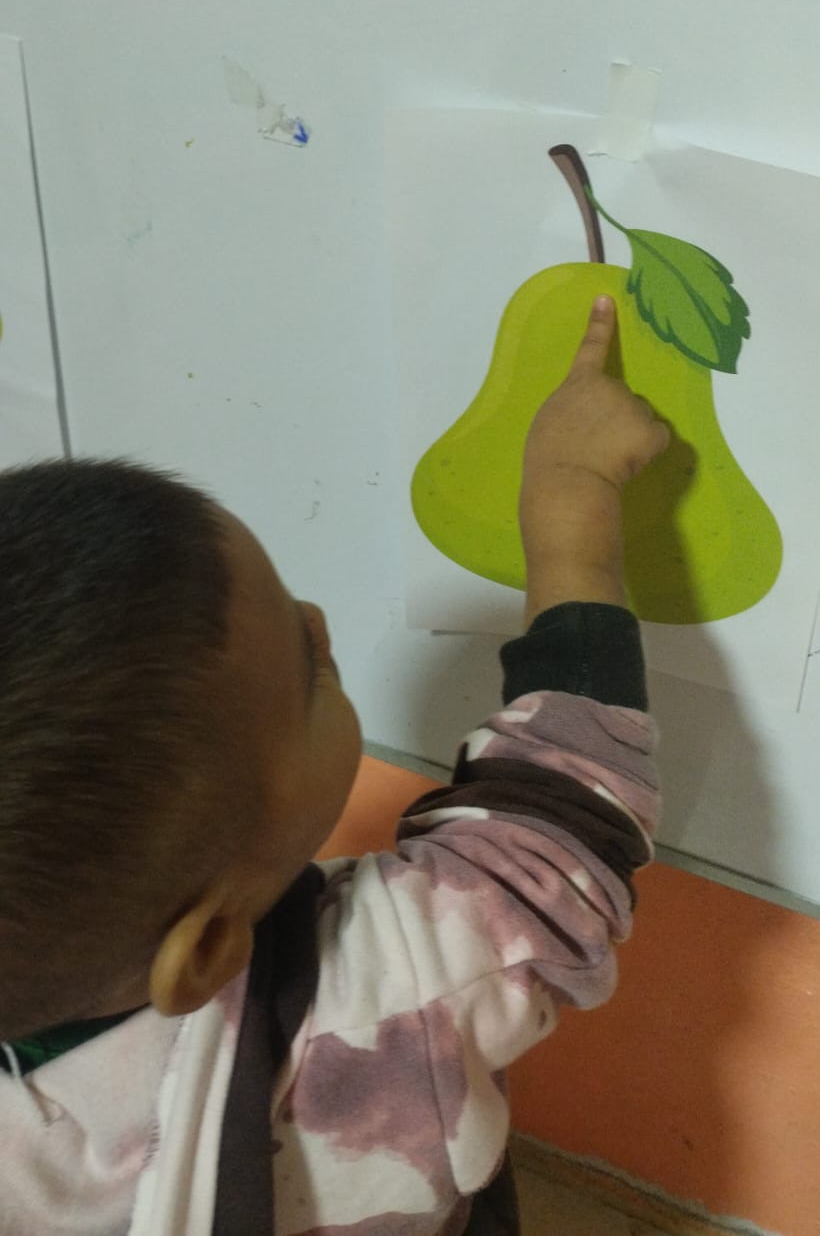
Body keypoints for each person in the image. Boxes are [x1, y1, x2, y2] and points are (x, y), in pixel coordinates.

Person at [0, 295, 669, 1236]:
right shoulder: (366, 1007)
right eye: (308, 671)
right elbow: (557, 832)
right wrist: (572, 500)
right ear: (207, 953)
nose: (318, 621)